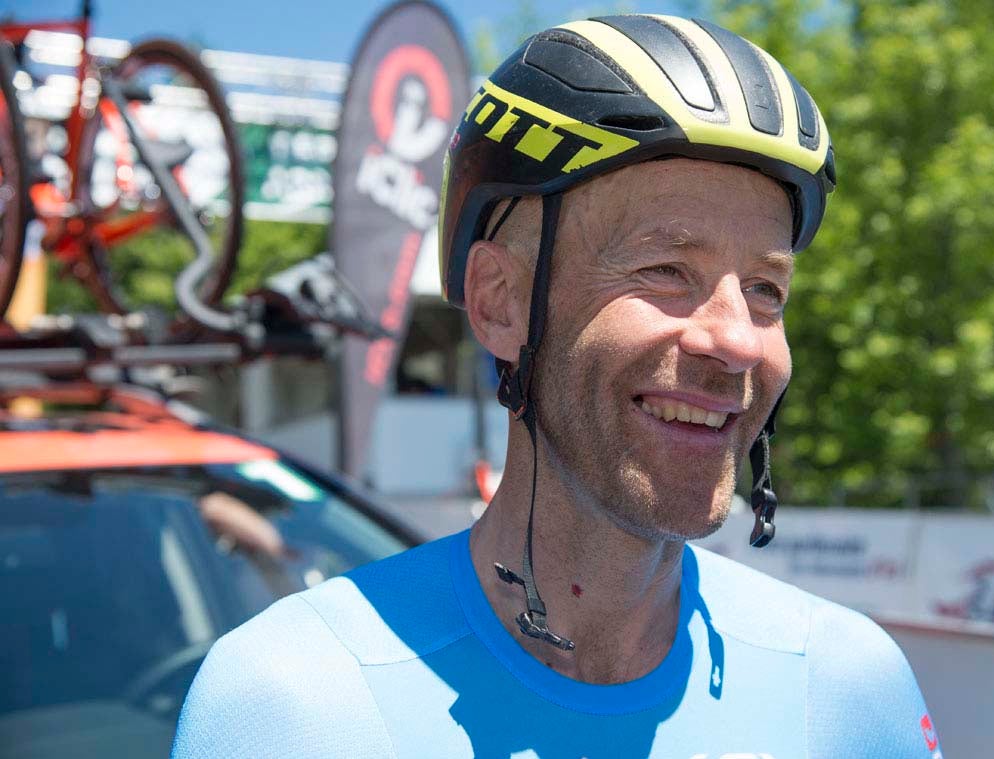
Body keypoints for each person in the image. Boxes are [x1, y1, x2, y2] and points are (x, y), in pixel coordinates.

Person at [172, 15, 940, 758]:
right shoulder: (294, 706)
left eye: (767, 290)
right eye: (665, 270)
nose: (738, 340)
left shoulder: (847, 691)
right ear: (500, 301)